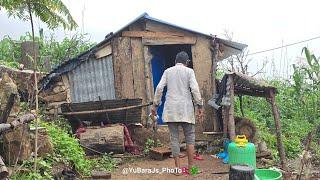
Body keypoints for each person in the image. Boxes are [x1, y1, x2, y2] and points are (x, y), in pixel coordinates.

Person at [151, 51, 204, 174]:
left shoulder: (168, 72)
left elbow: (159, 88)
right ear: (187, 62)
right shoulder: (189, 72)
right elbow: (195, 89)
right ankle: (191, 169)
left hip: (171, 109)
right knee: (190, 138)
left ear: (176, 61)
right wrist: (199, 105)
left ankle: (177, 169)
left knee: (174, 139)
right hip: (186, 109)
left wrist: (155, 105)